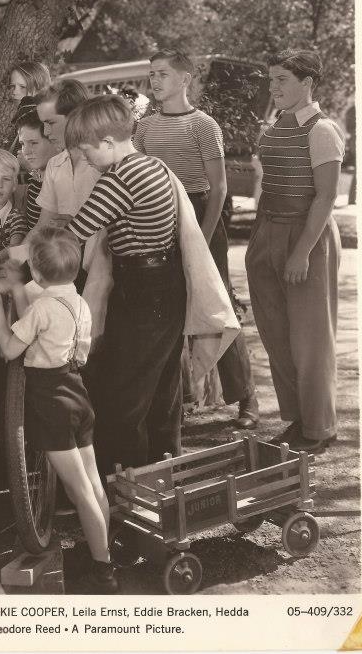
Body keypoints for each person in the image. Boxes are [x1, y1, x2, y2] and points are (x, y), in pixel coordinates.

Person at [0, 228, 117, 594]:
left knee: (80, 491)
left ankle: (104, 571)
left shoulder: (41, 307)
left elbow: (10, 349)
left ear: (38, 275)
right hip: (77, 393)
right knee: (92, 484)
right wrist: (17, 289)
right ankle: (103, 555)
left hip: (50, 400)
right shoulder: (79, 304)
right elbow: (79, 351)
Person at [135, 49, 259, 428]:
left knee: (217, 305)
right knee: (166, 307)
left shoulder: (204, 125)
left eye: (163, 74)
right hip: (159, 217)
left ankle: (247, 399)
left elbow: (219, 189)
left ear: (184, 79)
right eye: (152, 74)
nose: (155, 80)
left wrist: (201, 240)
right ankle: (179, 400)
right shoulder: (144, 128)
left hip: (201, 215)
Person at [64, 95, 185, 475]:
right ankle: (164, 477)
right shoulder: (153, 166)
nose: (84, 158)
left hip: (142, 288)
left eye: (87, 150)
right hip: (165, 282)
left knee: (123, 396)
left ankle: (125, 494)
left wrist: (9, 258)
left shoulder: (119, 179)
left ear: (108, 143)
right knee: (160, 391)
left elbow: (70, 237)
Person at [245, 49, 343, 453]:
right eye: (272, 80)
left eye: (282, 79)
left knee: (310, 338)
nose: (274, 88)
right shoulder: (275, 125)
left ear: (308, 83)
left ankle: (319, 427)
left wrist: (301, 252)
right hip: (267, 231)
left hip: (307, 237)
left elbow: (325, 197)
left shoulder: (322, 130)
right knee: (277, 335)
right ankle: (298, 419)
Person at [31, 80, 101, 235]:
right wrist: (1, 259)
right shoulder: (55, 164)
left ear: (76, 116)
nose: (46, 132)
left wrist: (75, 226)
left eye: (50, 123)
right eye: (43, 124)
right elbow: (41, 229)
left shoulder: (103, 164)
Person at [15, 110, 60, 231]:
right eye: (22, 144)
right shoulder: (35, 178)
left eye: (33, 143)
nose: (26, 151)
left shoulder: (60, 183)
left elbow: (40, 233)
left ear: (54, 140)